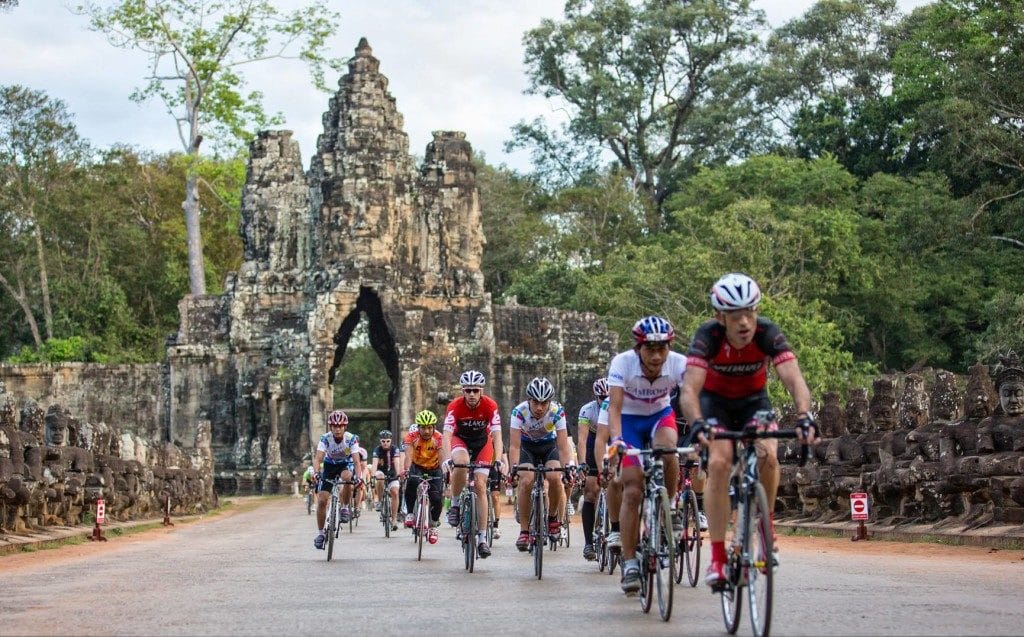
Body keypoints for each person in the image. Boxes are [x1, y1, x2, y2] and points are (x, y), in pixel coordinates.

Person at [678, 272, 816, 588]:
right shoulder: (707, 336)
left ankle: (765, 529)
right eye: (736, 315)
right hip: (716, 405)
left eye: (750, 312)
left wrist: (805, 415)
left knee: (769, 456)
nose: (744, 323)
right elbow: (689, 390)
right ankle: (717, 556)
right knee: (718, 463)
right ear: (719, 317)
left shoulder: (768, 332)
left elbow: (794, 379)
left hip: (755, 402)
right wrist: (698, 422)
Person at [606, 315, 687, 594]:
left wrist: (702, 427)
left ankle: (672, 506)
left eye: (662, 348)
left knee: (668, 449)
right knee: (632, 489)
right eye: (650, 349)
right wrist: (616, 440)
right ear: (638, 348)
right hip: (629, 421)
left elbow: (690, 397)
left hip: (660, 417)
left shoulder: (678, 363)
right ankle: (629, 563)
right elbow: (614, 408)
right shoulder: (621, 363)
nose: (656, 356)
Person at [442, 369, 504, 559]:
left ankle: (483, 538)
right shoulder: (454, 406)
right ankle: (454, 505)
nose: (471, 394)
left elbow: (497, 435)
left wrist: (499, 460)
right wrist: (446, 458)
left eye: (475, 390)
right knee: (461, 462)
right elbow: (446, 435)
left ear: (481, 391)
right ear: (463, 391)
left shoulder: (490, 406)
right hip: (460, 441)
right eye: (467, 390)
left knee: (479, 484)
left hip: (482, 444)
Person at [509, 377, 573, 552]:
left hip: (549, 448)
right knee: (526, 480)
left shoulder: (557, 411)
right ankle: (524, 530)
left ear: (549, 402)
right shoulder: (519, 412)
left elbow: (562, 445)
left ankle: (552, 517)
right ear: (529, 400)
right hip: (527, 448)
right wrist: (513, 469)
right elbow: (514, 446)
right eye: (535, 402)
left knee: (554, 477)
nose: (539, 407)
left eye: (544, 403)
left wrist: (567, 468)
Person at [312, 409, 362, 550]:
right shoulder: (325, 438)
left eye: (340, 426)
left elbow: (357, 462)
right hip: (329, 466)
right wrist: (316, 473)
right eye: (335, 426)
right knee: (322, 500)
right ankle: (321, 533)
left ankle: (345, 507)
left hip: (345, 465)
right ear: (331, 427)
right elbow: (318, 458)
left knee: (347, 477)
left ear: (345, 427)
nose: (338, 429)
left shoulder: (351, 439)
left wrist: (359, 477)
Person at [577, 377, 608, 561]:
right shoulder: (587, 410)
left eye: (608, 397)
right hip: (593, 442)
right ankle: (589, 543)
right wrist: (582, 463)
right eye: (601, 398)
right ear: (595, 397)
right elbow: (581, 439)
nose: (605, 401)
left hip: (612, 440)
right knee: (590, 491)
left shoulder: (619, 405)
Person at [402, 409, 445, 544]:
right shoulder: (411, 437)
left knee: (437, 498)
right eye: (423, 428)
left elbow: (442, 457)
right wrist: (407, 470)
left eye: (429, 428)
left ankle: (433, 526)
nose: (426, 431)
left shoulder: (439, 438)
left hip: (434, 468)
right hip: (417, 466)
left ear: (433, 427)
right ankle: (410, 513)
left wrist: (445, 471)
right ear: (418, 427)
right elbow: (408, 456)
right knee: (412, 481)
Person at [371, 429, 402, 531]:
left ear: (391, 441)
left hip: (392, 473)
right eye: (383, 441)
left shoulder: (395, 449)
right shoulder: (377, 450)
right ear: (380, 441)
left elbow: (397, 462)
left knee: (395, 492)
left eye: (387, 441)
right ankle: (380, 501)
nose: (385, 443)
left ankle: (394, 519)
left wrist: (398, 474)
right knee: (379, 477)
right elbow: (374, 464)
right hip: (381, 472)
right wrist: (372, 476)